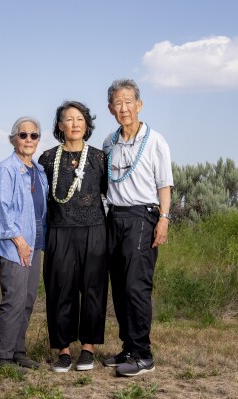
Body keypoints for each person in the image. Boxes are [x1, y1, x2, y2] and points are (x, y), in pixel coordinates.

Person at [101, 79, 173, 377]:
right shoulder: (109, 142)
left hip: (143, 217)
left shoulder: (155, 140)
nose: (124, 108)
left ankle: (143, 355)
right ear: (110, 109)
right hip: (113, 219)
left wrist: (164, 219)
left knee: (136, 287)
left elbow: (164, 184)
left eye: (128, 101)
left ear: (139, 105)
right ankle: (128, 348)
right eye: (118, 103)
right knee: (118, 288)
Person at [38, 101, 108, 372]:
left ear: (87, 124)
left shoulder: (100, 157)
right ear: (60, 126)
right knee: (59, 289)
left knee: (93, 289)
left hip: (94, 230)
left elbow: (106, 193)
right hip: (59, 231)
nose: (75, 124)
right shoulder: (47, 158)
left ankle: (88, 349)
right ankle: (64, 350)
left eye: (80, 119)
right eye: (69, 119)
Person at [0, 116, 48, 374]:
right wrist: (19, 241)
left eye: (34, 135)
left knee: (28, 299)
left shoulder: (39, 171)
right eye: (23, 135)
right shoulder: (6, 169)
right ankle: (2, 359)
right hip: (14, 246)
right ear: (13, 139)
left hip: (35, 244)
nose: (29, 140)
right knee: (14, 300)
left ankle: (18, 352)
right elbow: (1, 210)